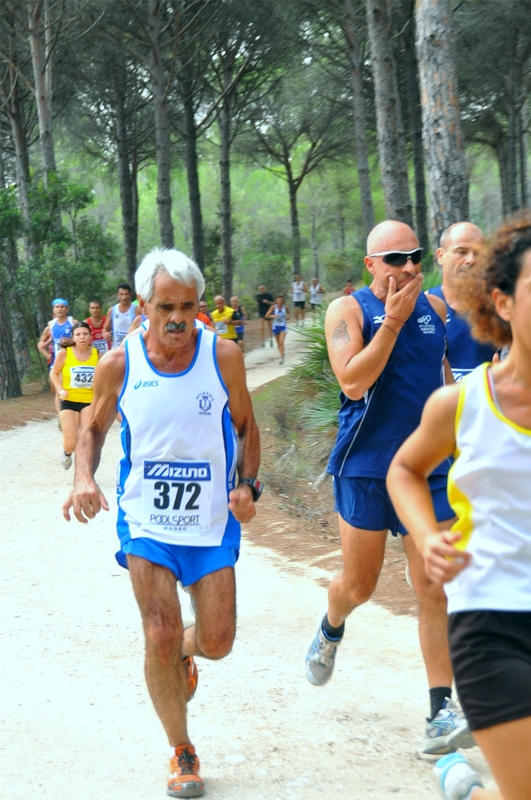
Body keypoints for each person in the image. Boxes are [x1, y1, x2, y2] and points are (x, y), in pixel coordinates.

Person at [62, 248, 261, 798]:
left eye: (189, 306)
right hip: (145, 519)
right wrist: (84, 477)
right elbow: (93, 430)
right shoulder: (119, 364)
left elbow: (246, 427)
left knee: (217, 641)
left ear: (201, 306)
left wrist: (247, 485)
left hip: (210, 522)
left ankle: (179, 658)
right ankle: (182, 749)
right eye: (166, 306)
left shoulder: (223, 357)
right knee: (159, 631)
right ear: (144, 304)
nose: (178, 318)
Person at [303, 220, 473, 756]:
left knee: (433, 586)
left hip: (429, 468)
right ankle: (331, 626)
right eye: (394, 258)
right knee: (360, 586)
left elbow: (444, 380)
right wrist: (393, 323)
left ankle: (440, 712)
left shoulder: (437, 311)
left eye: (414, 256)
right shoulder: (347, 311)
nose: (406, 267)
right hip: (367, 467)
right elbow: (353, 379)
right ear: (371, 265)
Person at [387, 214, 531, 800]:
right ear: (503, 302)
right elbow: (405, 470)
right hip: (491, 622)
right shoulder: (461, 404)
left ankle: (466, 791)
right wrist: (425, 537)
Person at [428, 222, 497, 380]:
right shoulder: (422, 307)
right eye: (461, 252)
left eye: (478, 253)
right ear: (440, 256)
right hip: (438, 403)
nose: (471, 260)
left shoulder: (501, 307)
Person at [50, 321, 99, 469]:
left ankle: (84, 470)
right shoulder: (66, 352)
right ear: (73, 337)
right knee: (71, 442)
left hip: (88, 401)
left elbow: (103, 376)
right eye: (78, 334)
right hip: (68, 400)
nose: (82, 337)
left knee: (86, 438)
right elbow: (53, 372)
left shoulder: (96, 354)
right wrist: (59, 389)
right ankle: (67, 452)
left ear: (90, 336)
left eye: (85, 334)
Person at [37, 299, 77, 417]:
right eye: (57, 307)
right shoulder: (51, 325)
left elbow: (82, 338)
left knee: (73, 388)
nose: (59, 309)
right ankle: (62, 418)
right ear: (53, 310)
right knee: (58, 390)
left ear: (67, 309)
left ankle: (74, 413)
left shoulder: (73, 322)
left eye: (62, 307)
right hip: (57, 361)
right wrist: (47, 354)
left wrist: (71, 341)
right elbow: (40, 344)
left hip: (73, 360)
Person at [103, 283, 140, 348]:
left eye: (126, 294)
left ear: (130, 294)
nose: (124, 297)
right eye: (121, 294)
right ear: (117, 295)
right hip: (116, 347)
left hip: (132, 347)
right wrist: (105, 334)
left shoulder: (136, 309)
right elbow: (105, 328)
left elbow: (142, 327)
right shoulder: (112, 310)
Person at [265, 294, 290, 364]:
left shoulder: (285, 307)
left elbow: (289, 314)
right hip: (275, 326)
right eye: (279, 300)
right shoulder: (273, 307)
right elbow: (267, 315)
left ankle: (281, 358)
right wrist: (273, 316)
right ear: (276, 301)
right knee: (278, 344)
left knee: (281, 342)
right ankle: (282, 353)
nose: (280, 301)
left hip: (283, 326)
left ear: (283, 301)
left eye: (281, 300)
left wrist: (288, 317)